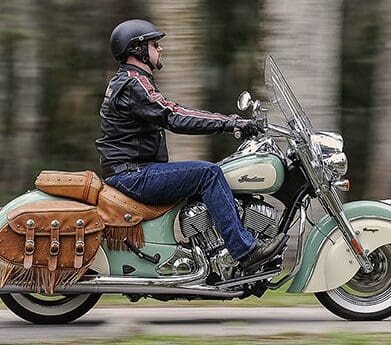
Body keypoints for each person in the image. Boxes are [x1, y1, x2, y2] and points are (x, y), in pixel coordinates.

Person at [95, 19, 284, 273]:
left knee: (209, 173)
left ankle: (213, 252)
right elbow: (174, 115)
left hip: (131, 171)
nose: (160, 49)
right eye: (154, 44)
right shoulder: (134, 84)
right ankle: (245, 251)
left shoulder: (130, 81)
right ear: (137, 50)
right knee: (209, 173)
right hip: (133, 174)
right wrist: (233, 123)